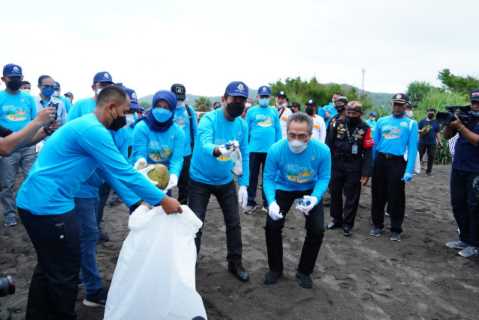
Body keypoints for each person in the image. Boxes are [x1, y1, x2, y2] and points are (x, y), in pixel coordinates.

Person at [16, 86, 182, 320]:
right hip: (48, 207)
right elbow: (122, 171)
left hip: (37, 201)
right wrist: (163, 199)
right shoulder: (93, 130)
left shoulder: (90, 126)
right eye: (125, 112)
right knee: (65, 272)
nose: (128, 118)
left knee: (47, 268)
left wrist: (136, 203)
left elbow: (110, 171)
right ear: (111, 108)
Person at [189, 81, 250, 282]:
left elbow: (245, 154)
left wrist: (244, 183)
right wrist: (218, 149)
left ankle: (235, 263)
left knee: (234, 223)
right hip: (200, 179)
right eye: (234, 99)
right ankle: (190, 262)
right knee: (196, 223)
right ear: (224, 99)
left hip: (225, 180)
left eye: (242, 100)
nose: (238, 103)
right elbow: (205, 142)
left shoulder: (241, 123)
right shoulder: (208, 119)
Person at [263, 112, 331, 288]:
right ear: (286, 132)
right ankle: (275, 268)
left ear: (310, 135)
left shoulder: (323, 151)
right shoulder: (276, 149)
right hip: (283, 187)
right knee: (272, 225)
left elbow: (324, 177)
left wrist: (315, 198)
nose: (296, 140)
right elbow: (268, 178)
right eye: (292, 135)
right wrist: (271, 202)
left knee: (317, 230)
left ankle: (304, 271)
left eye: (302, 136)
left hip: (309, 189)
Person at [68, 71, 115, 242]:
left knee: (100, 198)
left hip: (102, 162)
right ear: (93, 86)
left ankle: (95, 226)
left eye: (108, 85)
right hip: (81, 162)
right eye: (102, 84)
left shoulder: (113, 108)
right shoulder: (81, 105)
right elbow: (69, 129)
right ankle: (82, 231)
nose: (105, 88)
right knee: (80, 198)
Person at [370, 93, 418, 241]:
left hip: (397, 163)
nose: (397, 107)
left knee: (396, 196)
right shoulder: (381, 121)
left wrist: (409, 170)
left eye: (401, 104)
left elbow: (412, 148)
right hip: (381, 160)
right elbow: (375, 145)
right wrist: (372, 165)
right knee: (378, 194)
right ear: (392, 105)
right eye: (395, 104)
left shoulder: (411, 124)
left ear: (406, 106)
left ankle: (396, 229)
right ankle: (377, 225)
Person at [326, 101, 373, 236]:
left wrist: (366, 173)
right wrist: (326, 164)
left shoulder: (365, 128)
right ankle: (336, 219)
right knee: (335, 192)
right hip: (336, 163)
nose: (351, 115)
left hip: (354, 165)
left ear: (360, 114)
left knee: (352, 196)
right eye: (349, 112)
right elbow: (328, 144)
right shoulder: (337, 123)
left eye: (354, 113)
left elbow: (368, 151)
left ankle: (348, 224)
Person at [0, 64, 38, 227]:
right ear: (3, 79)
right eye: (11, 78)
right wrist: (7, 134)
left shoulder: (29, 99)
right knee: (6, 183)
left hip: (29, 145)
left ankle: (30, 209)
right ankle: (9, 214)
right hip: (8, 148)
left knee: (33, 178)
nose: (15, 80)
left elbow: (35, 121)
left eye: (18, 78)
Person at [443, 89, 479, 258]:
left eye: (478, 102)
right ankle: (464, 238)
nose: (475, 105)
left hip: (475, 171)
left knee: (474, 207)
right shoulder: (464, 116)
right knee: (458, 203)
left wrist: (461, 127)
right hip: (458, 167)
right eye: (473, 102)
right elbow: (446, 136)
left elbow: (476, 140)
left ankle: (474, 244)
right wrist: (450, 124)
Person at [132, 90, 185, 194]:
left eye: (166, 108)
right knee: (141, 208)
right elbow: (139, 153)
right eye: (159, 106)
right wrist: (141, 162)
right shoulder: (142, 127)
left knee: (163, 208)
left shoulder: (178, 132)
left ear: (173, 110)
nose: (161, 110)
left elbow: (177, 159)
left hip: (164, 180)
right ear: (153, 106)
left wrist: (174, 175)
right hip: (142, 177)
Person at [244, 85, 282, 214]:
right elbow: (246, 131)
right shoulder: (251, 111)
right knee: (252, 177)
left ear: (270, 98)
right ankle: (250, 201)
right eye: (262, 96)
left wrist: (279, 147)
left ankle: (268, 202)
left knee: (269, 177)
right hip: (253, 150)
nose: (264, 99)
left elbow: (278, 131)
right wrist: (245, 148)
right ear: (258, 97)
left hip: (270, 151)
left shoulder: (273, 112)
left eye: (266, 97)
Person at [171, 83, 198, 204]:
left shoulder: (189, 110)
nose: (179, 101)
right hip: (169, 154)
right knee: (167, 182)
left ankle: (182, 205)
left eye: (181, 98)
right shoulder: (167, 110)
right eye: (176, 98)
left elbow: (196, 132)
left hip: (186, 153)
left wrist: (196, 152)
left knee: (185, 184)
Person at [418, 108, 441, 175]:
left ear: (434, 113)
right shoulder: (422, 121)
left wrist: (440, 141)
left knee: (431, 156)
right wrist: (422, 131)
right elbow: (417, 130)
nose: (431, 113)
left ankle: (428, 171)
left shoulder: (436, 122)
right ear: (427, 112)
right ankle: (416, 169)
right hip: (422, 142)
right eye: (430, 111)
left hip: (432, 143)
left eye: (433, 112)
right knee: (419, 155)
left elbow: (437, 133)